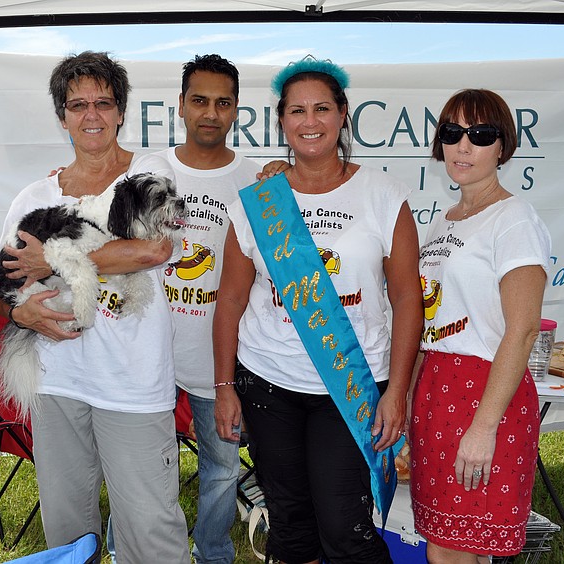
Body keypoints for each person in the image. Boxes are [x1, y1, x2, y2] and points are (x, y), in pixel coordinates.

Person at [213, 57, 423, 563]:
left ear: (343, 114)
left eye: (323, 108)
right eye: (298, 110)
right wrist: (223, 388)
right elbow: (231, 303)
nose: (311, 121)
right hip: (267, 382)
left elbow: (407, 301)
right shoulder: (258, 202)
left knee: (346, 529)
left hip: (350, 385)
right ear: (281, 120)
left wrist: (398, 391)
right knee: (290, 523)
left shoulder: (383, 196)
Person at [0, 51, 190, 563]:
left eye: (103, 103)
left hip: (135, 385)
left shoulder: (147, 173)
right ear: (62, 117)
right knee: (68, 532)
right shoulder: (36, 194)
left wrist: (51, 259)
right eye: (78, 105)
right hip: (57, 382)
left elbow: (153, 249)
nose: (91, 114)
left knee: (152, 531)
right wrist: (19, 313)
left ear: (121, 111)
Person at [409, 89, 551, 563]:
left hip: (485, 393)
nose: (463, 145)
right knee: (443, 543)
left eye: (480, 134)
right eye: (452, 133)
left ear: (502, 146)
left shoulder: (514, 219)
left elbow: (524, 329)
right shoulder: (442, 222)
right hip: (435, 388)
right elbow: (428, 320)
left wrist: (484, 425)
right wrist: (411, 399)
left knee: (458, 548)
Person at [158, 54, 261, 564]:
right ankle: (129, 549)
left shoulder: (255, 181)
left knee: (222, 470)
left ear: (237, 111)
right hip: (146, 356)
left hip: (219, 359)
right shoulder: (148, 169)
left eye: (223, 103)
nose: (210, 113)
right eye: (199, 100)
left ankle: (214, 552)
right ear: (180, 106)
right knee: (141, 470)